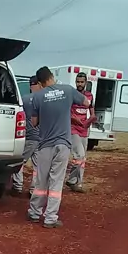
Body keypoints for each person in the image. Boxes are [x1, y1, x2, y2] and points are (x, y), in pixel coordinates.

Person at [28, 66, 90, 229]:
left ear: (40, 83)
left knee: (41, 180)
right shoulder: (68, 90)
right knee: (56, 182)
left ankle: (34, 213)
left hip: (45, 145)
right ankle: (50, 218)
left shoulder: (38, 96)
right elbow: (86, 102)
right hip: (63, 144)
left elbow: (34, 122)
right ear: (52, 76)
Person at [11, 76, 41, 197]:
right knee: (38, 166)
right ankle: (33, 189)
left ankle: (17, 186)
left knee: (19, 162)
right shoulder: (44, 100)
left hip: (29, 136)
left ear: (30, 85)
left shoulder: (25, 99)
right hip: (41, 138)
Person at [67, 72, 95, 193]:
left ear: (86, 83)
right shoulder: (72, 95)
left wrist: (91, 119)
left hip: (84, 129)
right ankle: (71, 179)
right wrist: (75, 119)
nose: (79, 84)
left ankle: (78, 183)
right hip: (73, 128)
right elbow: (67, 112)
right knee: (79, 155)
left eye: (82, 82)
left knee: (83, 159)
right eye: (78, 82)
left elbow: (92, 111)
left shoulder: (89, 96)